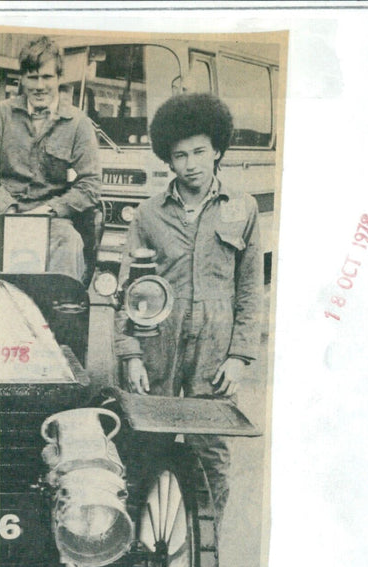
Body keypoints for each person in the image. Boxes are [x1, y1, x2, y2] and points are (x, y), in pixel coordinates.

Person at [114, 93, 263, 523]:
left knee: (210, 449)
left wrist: (238, 356)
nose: (192, 163)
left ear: (218, 149)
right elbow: (129, 290)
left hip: (215, 350)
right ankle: (141, 539)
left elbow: (250, 289)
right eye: (180, 155)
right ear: (169, 160)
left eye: (200, 151)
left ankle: (204, 548)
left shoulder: (243, 209)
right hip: (158, 343)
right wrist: (132, 355)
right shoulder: (147, 215)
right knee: (147, 443)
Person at [0, 36, 100, 282]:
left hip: (49, 217)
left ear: (59, 78)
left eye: (47, 77)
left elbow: (90, 185)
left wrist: (49, 210)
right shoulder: (0, 114)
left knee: (69, 245)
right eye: (32, 77)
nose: (39, 86)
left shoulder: (78, 124)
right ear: (22, 79)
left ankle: (56, 319)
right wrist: (9, 209)